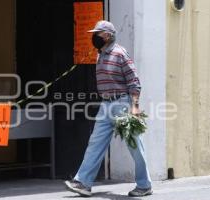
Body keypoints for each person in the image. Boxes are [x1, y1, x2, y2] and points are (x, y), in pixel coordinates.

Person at [64, 20, 152, 197]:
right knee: (95, 143)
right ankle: (83, 182)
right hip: (105, 104)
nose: (94, 36)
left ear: (108, 35)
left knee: (135, 146)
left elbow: (134, 82)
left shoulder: (120, 53)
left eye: (98, 33)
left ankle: (144, 185)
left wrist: (134, 107)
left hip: (122, 104)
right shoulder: (100, 55)